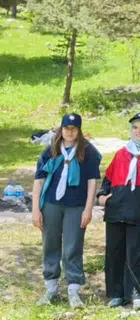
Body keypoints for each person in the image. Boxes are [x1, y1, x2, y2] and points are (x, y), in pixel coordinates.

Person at [98, 113, 140, 309]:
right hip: (116, 211)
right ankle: (116, 293)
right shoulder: (121, 153)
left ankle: (137, 293)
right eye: (135, 127)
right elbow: (108, 179)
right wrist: (102, 196)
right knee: (114, 253)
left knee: (135, 254)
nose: (139, 131)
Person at [31, 113, 101, 308]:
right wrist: (35, 209)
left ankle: (73, 290)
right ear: (61, 130)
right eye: (66, 128)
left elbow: (92, 182)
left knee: (73, 246)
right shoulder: (51, 150)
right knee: (50, 244)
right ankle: (51, 288)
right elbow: (39, 181)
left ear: (79, 130)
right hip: (51, 204)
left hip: (76, 206)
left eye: (74, 128)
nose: (69, 132)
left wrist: (88, 208)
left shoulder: (87, 151)